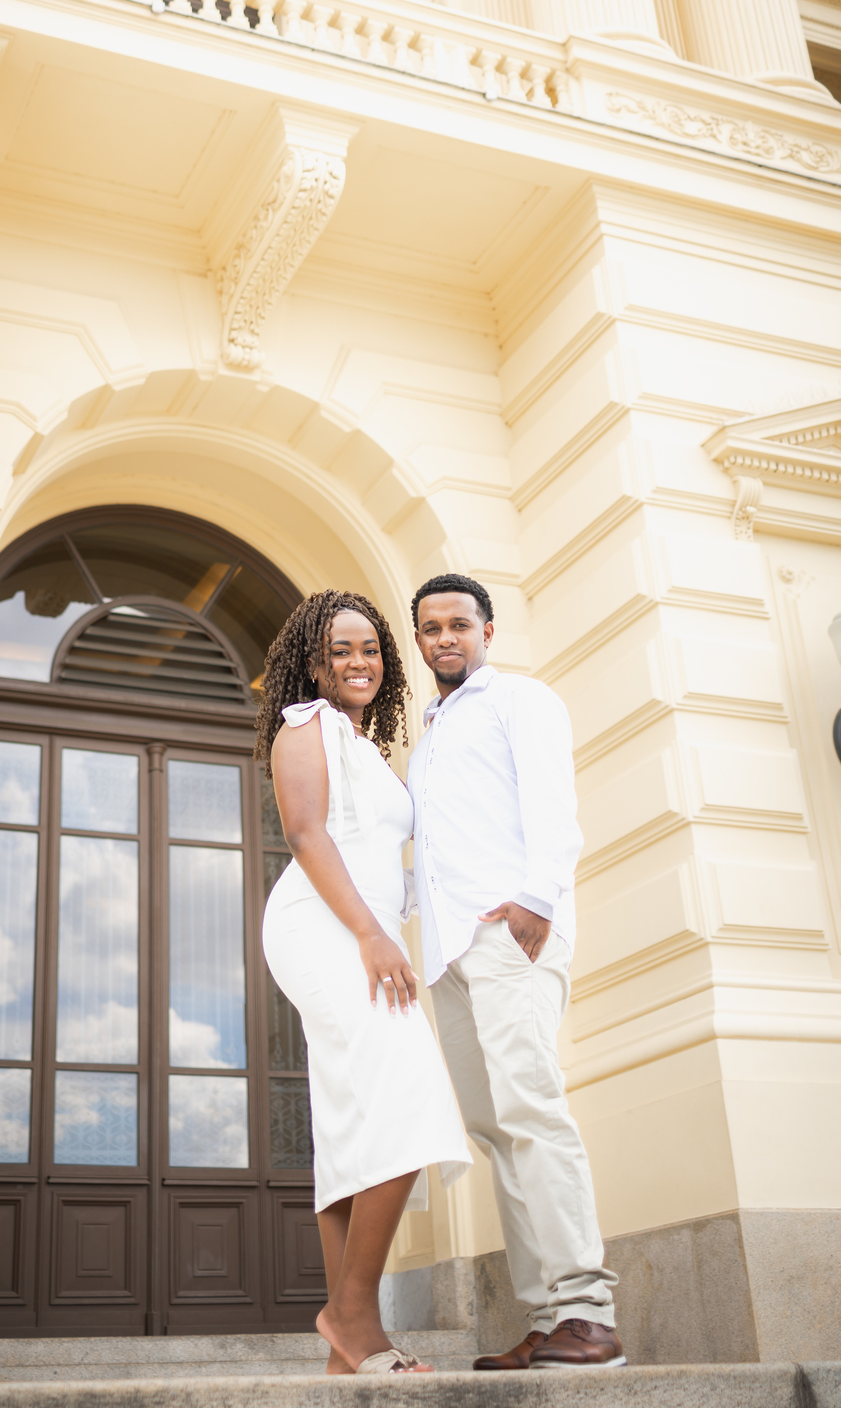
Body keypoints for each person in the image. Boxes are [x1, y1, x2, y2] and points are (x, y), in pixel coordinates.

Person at [407, 573, 625, 1370]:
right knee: (496, 1132)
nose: (445, 639)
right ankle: (546, 1318)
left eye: (459, 625)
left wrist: (535, 900)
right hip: (449, 955)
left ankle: (588, 1311)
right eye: (430, 629)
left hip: (511, 936)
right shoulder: (428, 735)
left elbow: (553, 802)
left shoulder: (519, 699)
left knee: (533, 1111)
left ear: (487, 631)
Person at [259, 589, 471, 1377]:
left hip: (360, 932)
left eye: (371, 649)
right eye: (341, 649)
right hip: (327, 931)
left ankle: (350, 1346)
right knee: (411, 1092)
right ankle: (351, 1312)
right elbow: (306, 834)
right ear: (314, 661)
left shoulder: (366, 748)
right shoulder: (304, 728)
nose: (359, 662)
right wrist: (373, 934)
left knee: (352, 1119)